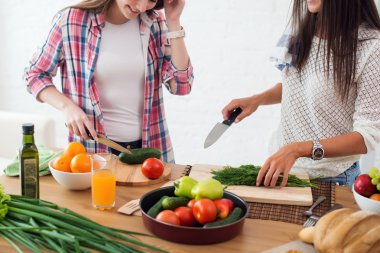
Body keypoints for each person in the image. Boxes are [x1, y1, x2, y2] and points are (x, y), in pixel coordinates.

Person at [222, 0, 380, 187]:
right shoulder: (301, 31)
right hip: (284, 172)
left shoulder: (370, 48)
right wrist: (257, 99)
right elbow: (299, 84)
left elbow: (368, 135)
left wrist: (298, 149)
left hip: (330, 178)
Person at [24, 0, 193, 162]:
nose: (142, 7)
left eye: (151, 0)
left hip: (149, 150)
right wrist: (67, 107)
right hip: (92, 152)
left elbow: (181, 85)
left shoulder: (155, 22)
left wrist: (173, 21)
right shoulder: (72, 21)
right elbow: (35, 74)